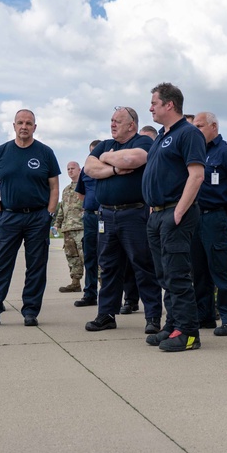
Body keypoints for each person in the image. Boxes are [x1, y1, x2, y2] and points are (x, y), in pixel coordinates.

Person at [0, 110, 60, 328]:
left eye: (28, 123)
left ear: (35, 127)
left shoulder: (45, 152)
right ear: (13, 125)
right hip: (9, 217)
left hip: (37, 217)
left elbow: (54, 187)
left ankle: (30, 311)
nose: (24, 126)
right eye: (20, 122)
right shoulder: (1, 152)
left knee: (36, 266)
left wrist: (49, 213)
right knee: (0, 266)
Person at [83, 106, 163, 335]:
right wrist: (115, 170)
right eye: (111, 120)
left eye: (118, 121)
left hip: (134, 214)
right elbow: (89, 168)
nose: (113, 124)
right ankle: (106, 314)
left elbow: (133, 158)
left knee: (143, 265)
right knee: (108, 267)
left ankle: (153, 316)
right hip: (106, 215)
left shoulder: (144, 142)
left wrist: (106, 159)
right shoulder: (105, 144)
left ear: (132, 125)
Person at [143, 83, 206, 352]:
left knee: (178, 274)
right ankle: (173, 325)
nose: (151, 108)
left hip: (174, 213)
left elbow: (196, 175)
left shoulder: (188, 133)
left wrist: (178, 211)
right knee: (164, 275)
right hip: (157, 214)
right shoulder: (160, 136)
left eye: (154, 103)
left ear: (170, 104)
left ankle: (189, 332)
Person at [190, 112, 227, 336]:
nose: (196, 130)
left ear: (214, 126)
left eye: (200, 126)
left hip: (216, 217)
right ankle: (204, 316)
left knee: (221, 271)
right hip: (195, 217)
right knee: (199, 272)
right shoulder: (195, 151)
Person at [73, 142, 101, 307]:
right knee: (90, 256)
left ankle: (118, 297)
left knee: (112, 258)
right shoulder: (85, 171)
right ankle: (90, 294)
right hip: (90, 217)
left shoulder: (110, 168)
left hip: (108, 216)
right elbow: (81, 194)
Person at [54, 161, 85, 292]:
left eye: (73, 168)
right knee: (72, 257)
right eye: (68, 169)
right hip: (68, 229)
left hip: (82, 227)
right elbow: (62, 209)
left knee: (87, 256)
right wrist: (57, 224)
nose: (70, 171)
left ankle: (101, 283)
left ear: (79, 170)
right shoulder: (66, 190)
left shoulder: (85, 186)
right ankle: (75, 283)